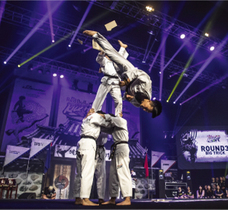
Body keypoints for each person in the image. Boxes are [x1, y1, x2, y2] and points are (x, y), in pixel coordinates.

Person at [83, 30, 162, 118]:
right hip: (129, 70)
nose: (144, 109)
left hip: (121, 76)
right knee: (112, 54)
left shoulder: (136, 104)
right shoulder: (147, 86)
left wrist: (127, 97)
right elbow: (139, 73)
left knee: (113, 62)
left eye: (146, 111)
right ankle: (96, 35)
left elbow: (126, 95)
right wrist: (127, 81)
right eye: (147, 108)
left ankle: (122, 48)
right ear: (150, 102)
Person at [74, 109, 108, 206]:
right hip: (90, 145)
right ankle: (83, 198)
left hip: (97, 148)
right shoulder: (95, 119)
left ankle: (99, 198)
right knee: (85, 172)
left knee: (99, 174)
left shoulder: (87, 120)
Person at [100, 113, 132, 205]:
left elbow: (109, 117)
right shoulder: (114, 127)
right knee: (113, 174)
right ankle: (112, 198)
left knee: (123, 172)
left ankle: (127, 199)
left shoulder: (121, 121)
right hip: (116, 148)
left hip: (122, 147)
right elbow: (104, 127)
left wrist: (97, 114)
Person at [92, 41, 129, 117]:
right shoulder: (104, 61)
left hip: (116, 82)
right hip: (107, 80)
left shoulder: (116, 62)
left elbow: (121, 57)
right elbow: (99, 60)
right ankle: (95, 111)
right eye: (108, 55)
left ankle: (118, 114)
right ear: (106, 55)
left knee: (119, 100)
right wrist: (102, 52)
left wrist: (122, 48)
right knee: (100, 96)